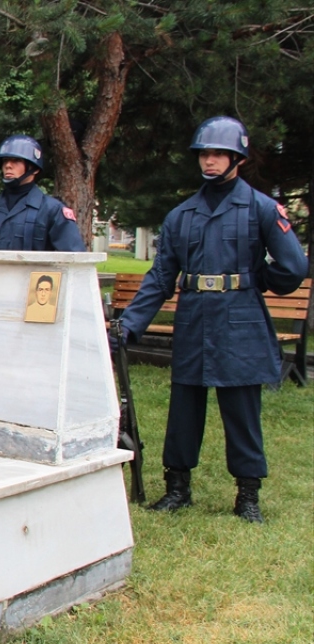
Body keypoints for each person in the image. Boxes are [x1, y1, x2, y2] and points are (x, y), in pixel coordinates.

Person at [118, 116, 308, 524]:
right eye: (205, 153)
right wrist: (129, 324)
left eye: (220, 153)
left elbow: (293, 267)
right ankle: (177, 488)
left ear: (238, 158)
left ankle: (247, 495)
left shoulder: (260, 208)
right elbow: (161, 277)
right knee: (184, 408)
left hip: (240, 318)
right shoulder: (181, 215)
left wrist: (257, 280)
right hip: (194, 318)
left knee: (241, 411)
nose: (210, 160)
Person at [0, 135, 85, 252]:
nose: (8, 165)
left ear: (34, 169)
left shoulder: (53, 211)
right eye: (5, 160)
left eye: (16, 160)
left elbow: (73, 258)